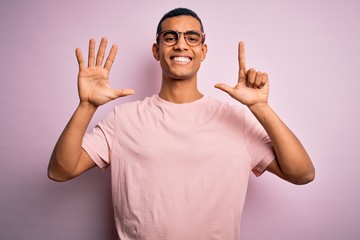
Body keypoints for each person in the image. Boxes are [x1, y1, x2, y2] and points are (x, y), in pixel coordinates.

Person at [48, 7, 315, 240]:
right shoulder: (123, 120)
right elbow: (61, 171)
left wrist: (260, 107)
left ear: (203, 50)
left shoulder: (236, 120)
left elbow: (302, 173)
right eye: (170, 37)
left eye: (192, 37)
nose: (181, 45)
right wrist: (87, 106)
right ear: (157, 50)